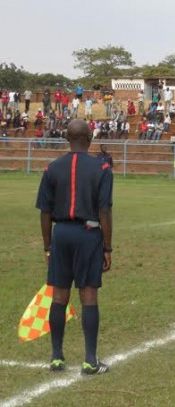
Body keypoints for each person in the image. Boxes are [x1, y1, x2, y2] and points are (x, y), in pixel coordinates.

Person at [35, 119, 113, 375]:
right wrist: (107, 248)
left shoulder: (52, 168)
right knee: (88, 296)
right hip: (89, 234)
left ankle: (57, 357)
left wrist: (48, 246)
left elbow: (45, 212)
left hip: (61, 235)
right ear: (89, 137)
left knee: (59, 296)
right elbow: (104, 211)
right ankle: (90, 360)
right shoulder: (102, 168)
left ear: (66, 138)